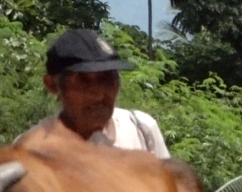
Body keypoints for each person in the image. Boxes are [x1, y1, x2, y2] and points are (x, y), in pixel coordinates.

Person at [17, 28, 169, 158]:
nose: (98, 94)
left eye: (108, 78)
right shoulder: (29, 149)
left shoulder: (141, 129)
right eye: (82, 81)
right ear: (52, 85)